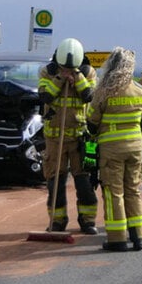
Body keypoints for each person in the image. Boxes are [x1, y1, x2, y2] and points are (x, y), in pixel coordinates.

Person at [87, 47, 142, 252]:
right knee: (132, 190)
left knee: (114, 192)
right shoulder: (140, 91)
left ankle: (117, 238)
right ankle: (139, 236)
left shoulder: (105, 91)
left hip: (112, 149)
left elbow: (92, 121)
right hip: (136, 148)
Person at [38, 37, 98, 234]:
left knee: (84, 182)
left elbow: (88, 96)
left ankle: (87, 220)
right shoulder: (48, 71)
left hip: (81, 137)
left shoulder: (88, 72)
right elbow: (46, 96)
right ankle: (57, 221)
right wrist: (60, 78)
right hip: (55, 139)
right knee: (55, 183)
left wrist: (77, 78)